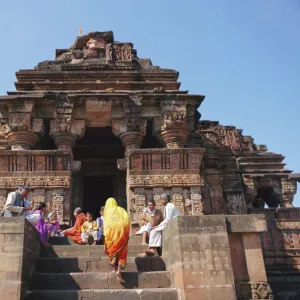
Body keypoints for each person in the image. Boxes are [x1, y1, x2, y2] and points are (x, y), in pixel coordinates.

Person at [104, 198, 130, 282]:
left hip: (110, 232)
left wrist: (105, 236)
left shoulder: (106, 211)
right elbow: (127, 219)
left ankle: (114, 262)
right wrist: (125, 229)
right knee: (122, 250)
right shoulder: (121, 209)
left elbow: (105, 224)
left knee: (113, 250)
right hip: (121, 230)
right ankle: (119, 271)